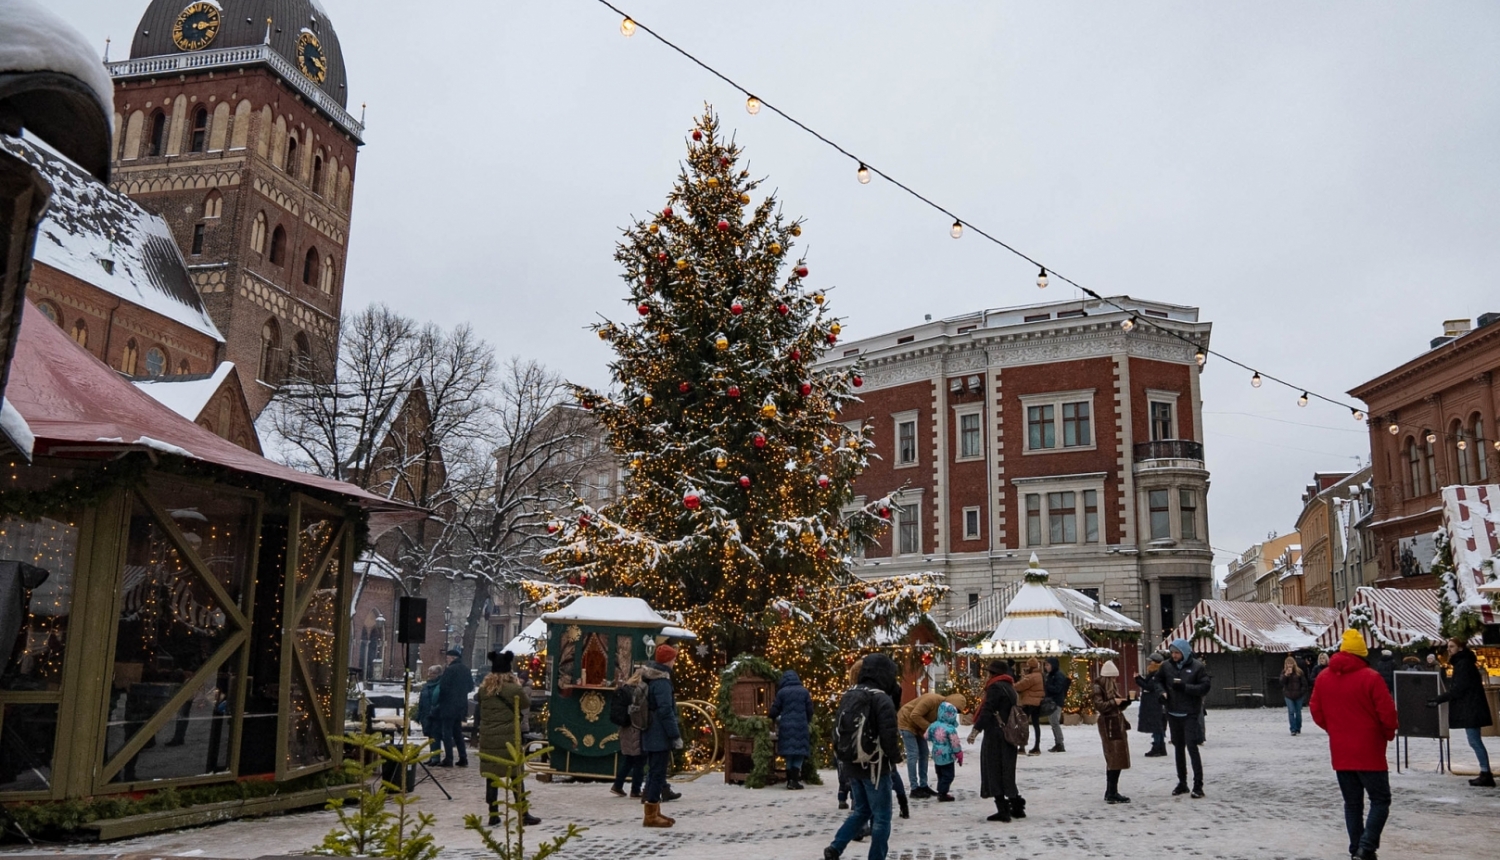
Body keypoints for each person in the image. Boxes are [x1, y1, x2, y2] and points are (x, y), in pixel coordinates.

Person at [1310, 629, 1398, 860]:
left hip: (1341, 751)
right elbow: (1387, 712)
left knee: (1352, 803)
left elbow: (1316, 710)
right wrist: (1387, 733)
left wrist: (1334, 729)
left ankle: (1356, 848)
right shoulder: (1371, 677)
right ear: (1362, 653)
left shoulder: (1323, 677)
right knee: (1380, 799)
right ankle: (1367, 846)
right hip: (1369, 750)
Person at [824, 653, 902, 860]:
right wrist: (895, 757)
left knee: (861, 811)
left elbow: (837, 729)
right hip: (876, 766)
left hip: (852, 763)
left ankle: (836, 847)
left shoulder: (850, 694)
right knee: (882, 817)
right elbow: (888, 733)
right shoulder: (881, 698)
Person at [476, 651, 540, 827]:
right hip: (509, 739)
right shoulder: (514, 689)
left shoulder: (484, 689)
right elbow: (526, 703)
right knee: (515, 775)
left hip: (489, 739)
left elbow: (479, 702)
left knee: (492, 776)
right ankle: (523, 813)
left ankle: (493, 814)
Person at [1430, 637, 1495, 787]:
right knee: (1474, 740)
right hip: (1472, 706)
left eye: (1452, 646)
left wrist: (1440, 699)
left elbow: (1459, 689)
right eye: (1448, 646)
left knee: (1474, 741)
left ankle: (1486, 773)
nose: (1449, 649)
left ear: (1460, 648)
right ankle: (1485, 772)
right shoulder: (1463, 662)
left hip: (1471, 707)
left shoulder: (1463, 664)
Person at [968, 659, 1023, 822]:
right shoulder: (1010, 687)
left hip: (995, 735)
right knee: (1007, 770)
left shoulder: (994, 687)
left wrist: (976, 730)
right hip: (1009, 734)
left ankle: (1003, 810)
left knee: (993, 770)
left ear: (993, 673)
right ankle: (1017, 806)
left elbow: (988, 710)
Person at [1159, 638, 1210, 798]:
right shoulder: (1166, 666)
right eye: (1172, 652)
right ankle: (1182, 783)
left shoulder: (1197, 667)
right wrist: (1161, 692)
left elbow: (1205, 686)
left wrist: (1186, 688)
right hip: (1173, 712)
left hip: (1190, 713)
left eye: (1177, 653)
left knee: (1192, 748)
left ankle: (1198, 785)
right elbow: (1157, 681)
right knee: (1178, 748)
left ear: (1185, 653)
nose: (1174, 655)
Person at [640, 644, 682, 828]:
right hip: (659, 733)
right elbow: (666, 711)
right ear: (668, 661)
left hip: (650, 731)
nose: (674, 662)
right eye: (673, 659)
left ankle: (654, 809)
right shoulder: (662, 681)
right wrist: (675, 735)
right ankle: (651, 815)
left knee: (654, 771)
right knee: (657, 772)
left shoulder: (651, 677)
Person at [896, 690, 966, 798]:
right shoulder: (931, 700)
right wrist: (932, 729)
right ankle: (914, 788)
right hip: (906, 722)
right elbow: (914, 715)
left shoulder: (942, 710)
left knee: (924, 753)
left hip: (919, 727)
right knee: (913, 754)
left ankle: (923, 786)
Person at [1091, 660, 1132, 804]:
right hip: (1108, 724)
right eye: (1113, 677)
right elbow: (1100, 706)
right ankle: (1111, 791)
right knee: (1113, 756)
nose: (1115, 680)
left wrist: (1125, 702)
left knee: (1118, 757)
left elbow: (1114, 705)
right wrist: (1115, 702)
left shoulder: (1110, 687)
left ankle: (1111, 791)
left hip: (1116, 722)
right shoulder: (1098, 687)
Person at [770, 669, 814, 790]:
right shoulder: (804, 692)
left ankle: (789, 780)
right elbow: (810, 710)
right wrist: (807, 720)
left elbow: (775, 710)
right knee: (799, 753)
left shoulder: (782, 692)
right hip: (801, 726)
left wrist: (771, 716)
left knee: (789, 753)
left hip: (785, 726)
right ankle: (795, 780)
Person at [608, 667, 646, 798]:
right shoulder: (638, 692)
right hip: (635, 728)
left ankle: (618, 785)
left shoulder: (625, 689)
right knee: (639, 760)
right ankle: (635, 789)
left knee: (629, 759)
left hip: (625, 728)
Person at [437, 647, 474, 767]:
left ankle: (449, 758)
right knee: (458, 732)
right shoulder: (466, 670)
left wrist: (441, 701)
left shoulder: (450, 670)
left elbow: (443, 687)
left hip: (448, 705)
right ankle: (463, 758)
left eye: (447, 658)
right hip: (461, 706)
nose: (447, 660)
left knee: (447, 732)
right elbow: (470, 687)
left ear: (452, 658)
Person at [925, 700, 964, 802]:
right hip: (947, 756)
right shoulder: (950, 729)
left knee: (940, 774)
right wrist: (958, 753)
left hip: (936, 754)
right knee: (948, 775)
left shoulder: (933, 725)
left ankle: (941, 790)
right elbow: (955, 743)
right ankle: (942, 793)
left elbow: (926, 736)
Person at [1135, 652, 1167, 756]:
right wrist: (1139, 678)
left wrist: (1137, 679)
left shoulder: (1156, 673)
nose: (1149, 663)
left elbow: (1149, 687)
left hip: (1155, 703)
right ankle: (1161, 747)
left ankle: (1157, 747)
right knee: (1158, 726)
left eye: (1151, 661)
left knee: (1156, 726)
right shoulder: (1156, 672)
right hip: (1155, 702)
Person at [1014, 657, 1046, 756]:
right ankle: (1037, 746)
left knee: (1023, 724)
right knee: (1036, 725)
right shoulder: (1040, 675)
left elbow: (1019, 686)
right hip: (1037, 703)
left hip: (1028, 703)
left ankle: (1022, 747)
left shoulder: (1031, 677)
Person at [1041, 657, 1070, 753]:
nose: (1046, 667)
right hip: (1051, 702)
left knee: (1054, 723)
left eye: (1048, 665)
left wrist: (1047, 686)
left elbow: (1057, 689)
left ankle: (1059, 743)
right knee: (1053, 723)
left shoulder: (1058, 676)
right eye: (1045, 665)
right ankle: (1058, 742)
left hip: (1056, 702)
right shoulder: (1050, 675)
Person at [416, 664, 444, 759]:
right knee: (430, 736)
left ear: (439, 674)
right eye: (429, 672)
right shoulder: (426, 686)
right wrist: (419, 714)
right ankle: (432, 757)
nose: (430, 675)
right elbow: (421, 701)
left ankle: (435, 757)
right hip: (425, 714)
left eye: (433, 673)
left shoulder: (441, 685)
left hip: (436, 715)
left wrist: (435, 710)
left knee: (435, 736)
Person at [1280, 655, 1308, 736]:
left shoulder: (1299, 672)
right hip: (1288, 695)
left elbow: (1304, 683)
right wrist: (1286, 675)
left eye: (1291, 663)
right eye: (1288, 663)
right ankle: (1293, 729)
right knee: (1291, 711)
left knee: (1298, 712)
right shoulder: (1283, 672)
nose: (1289, 665)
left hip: (1298, 694)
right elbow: (1281, 682)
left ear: (1294, 664)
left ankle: (1298, 727)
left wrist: (1301, 692)